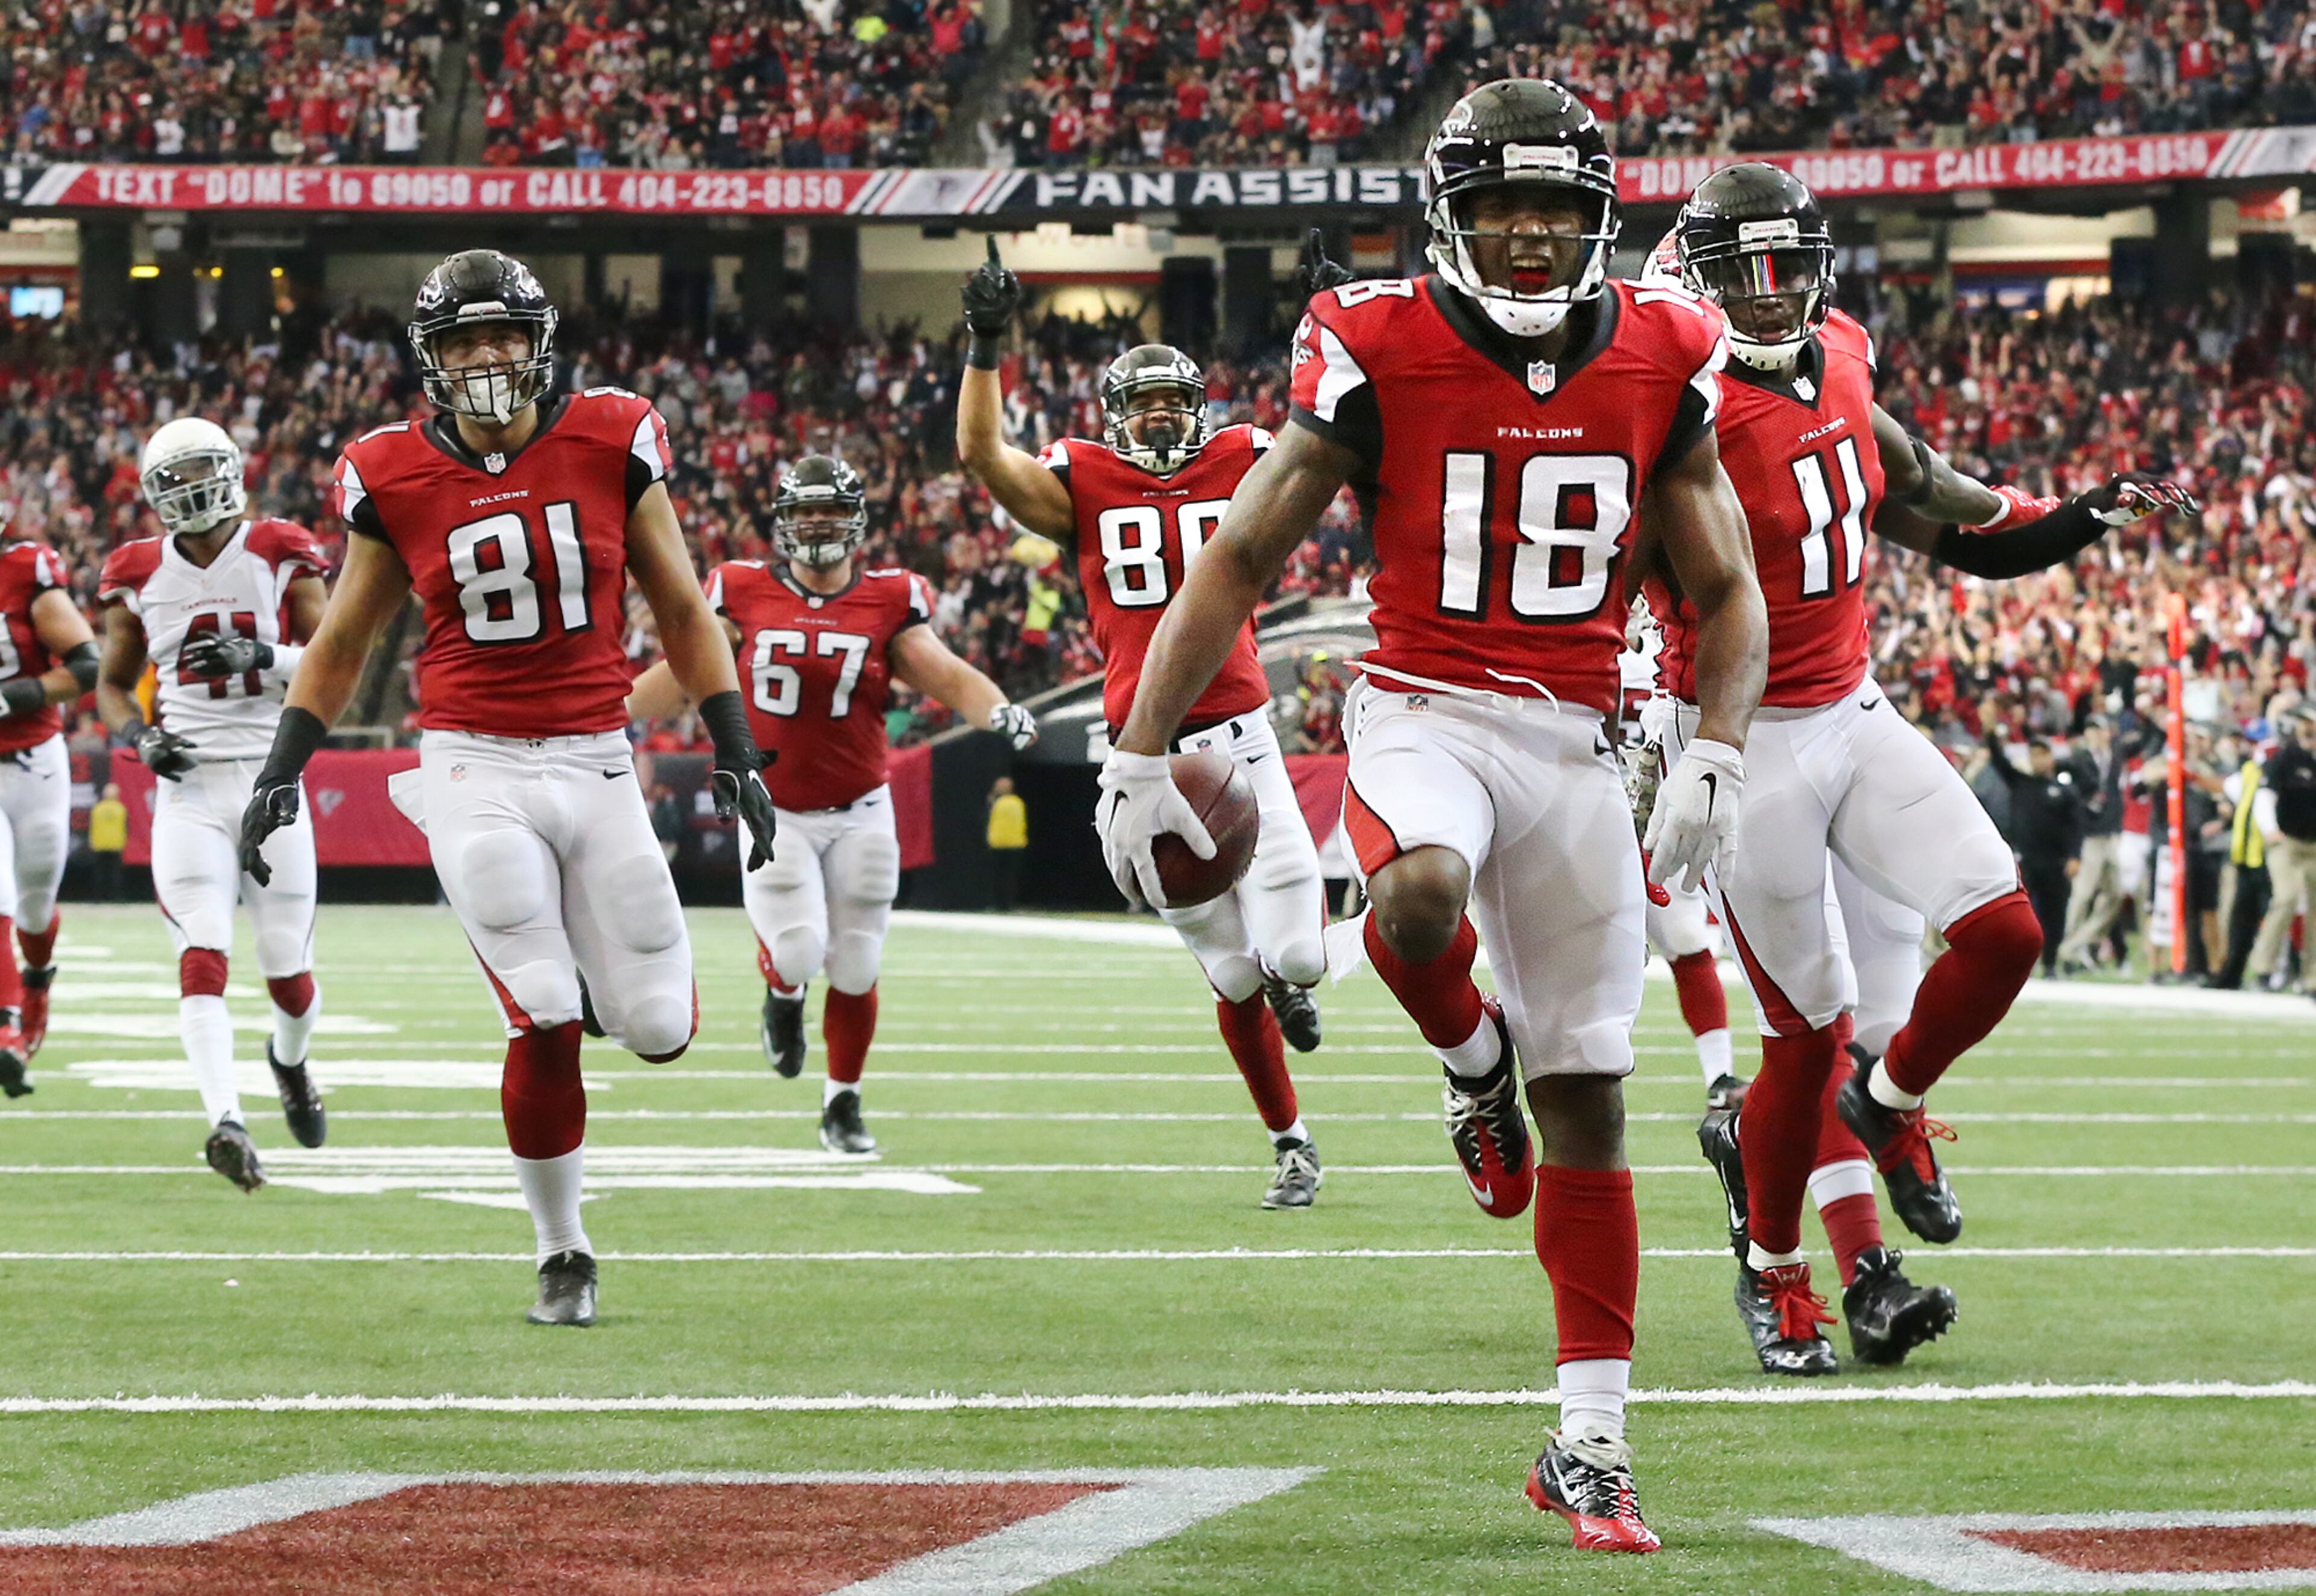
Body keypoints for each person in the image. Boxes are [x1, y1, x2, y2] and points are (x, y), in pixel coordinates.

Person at [1100, 80, 1772, 1551]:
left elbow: (1726, 587)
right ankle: (1472, 1062)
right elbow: (1239, 556)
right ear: (1448, 217)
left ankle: (1590, 1443)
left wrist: (1717, 751)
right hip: (1421, 704)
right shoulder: (1378, 338)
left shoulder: (1666, 347)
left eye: (1553, 204)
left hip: (1578, 737)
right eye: (1499, 205)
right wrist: (1141, 748)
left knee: (1589, 1094)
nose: (1527, 232)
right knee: (1413, 897)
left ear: (1598, 216)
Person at [1647, 163, 2192, 1378]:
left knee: (2003, 932)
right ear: (1696, 285)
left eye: (1788, 265)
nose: (1771, 291)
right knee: (1803, 1036)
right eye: (1743, 270)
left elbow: (1950, 517)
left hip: (1851, 709)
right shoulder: (1675, 406)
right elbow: (1604, 577)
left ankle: (1888, 1105)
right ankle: (1776, 1272)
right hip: (1743, 741)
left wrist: (2086, 512)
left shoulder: (1842, 356)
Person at [235, 249, 777, 1329]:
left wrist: (735, 744)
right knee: (544, 1011)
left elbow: (682, 607)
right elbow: (344, 638)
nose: (485, 356)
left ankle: (590, 968)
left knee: (660, 1027)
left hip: (596, 751)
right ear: (430, 359)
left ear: (539, 344)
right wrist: (281, 766)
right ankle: (561, 1249)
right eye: (462, 340)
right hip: (471, 758)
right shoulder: (391, 469)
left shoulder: (614, 435)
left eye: (502, 335)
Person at [957, 242, 1329, 1213]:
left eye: (1173, 402)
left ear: (1198, 408)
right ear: (1112, 419)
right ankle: (1291, 1143)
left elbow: (1335, 433)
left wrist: (1328, 326)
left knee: (1297, 956)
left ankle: (1296, 980)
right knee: (1234, 976)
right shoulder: (1081, 479)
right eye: (1142, 405)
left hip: (1244, 742)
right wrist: (984, 345)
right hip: (1144, 764)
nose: (1160, 418)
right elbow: (983, 456)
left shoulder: (1243, 457)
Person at [625, 455, 1036, 1156]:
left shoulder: (890, 598)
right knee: (798, 951)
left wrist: (996, 709)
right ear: (783, 522)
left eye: (832, 510)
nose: (818, 523)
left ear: (857, 520)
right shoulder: (741, 590)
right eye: (806, 511)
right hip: (775, 807)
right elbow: (688, 670)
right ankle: (783, 997)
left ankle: (842, 1102)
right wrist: (611, 713)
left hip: (861, 806)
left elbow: (942, 672)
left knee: (858, 966)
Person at [96, 417, 334, 1190]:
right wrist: (140, 736)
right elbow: (111, 684)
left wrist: (264, 655)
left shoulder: (278, 549)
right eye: (176, 476)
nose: (192, 488)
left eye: (203, 469)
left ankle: (289, 1061)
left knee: (287, 972)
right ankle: (226, 1119)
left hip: (271, 776)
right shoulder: (136, 569)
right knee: (201, 955)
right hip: (190, 786)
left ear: (231, 471)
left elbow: (335, 657)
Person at [0, 503, 99, 1091]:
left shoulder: (24, 572)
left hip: (34, 761)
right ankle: (6, 1027)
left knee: (35, 906)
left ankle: (36, 985)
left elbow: (86, 667)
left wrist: (13, 697)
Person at [1983, 732, 2084, 977]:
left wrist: (2075, 856)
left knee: (2055, 914)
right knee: (2022, 915)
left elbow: (2076, 826)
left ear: (2051, 757)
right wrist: (1991, 733)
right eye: (2034, 755)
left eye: (2043, 754)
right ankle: (2019, 964)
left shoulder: (2065, 791)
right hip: (2027, 860)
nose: (2039, 760)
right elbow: (1999, 761)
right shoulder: (2022, 783)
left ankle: (2050, 963)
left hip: (2056, 862)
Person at [2247, 708, 2316, 991]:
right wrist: (2270, 829)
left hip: (2314, 845)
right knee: (2286, 898)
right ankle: (2263, 967)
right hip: (2286, 842)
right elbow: (2265, 794)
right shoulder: (2286, 758)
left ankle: (2312, 978)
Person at [2055, 716, 2128, 971]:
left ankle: (2079, 942)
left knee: (2115, 894)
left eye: (2100, 730)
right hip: (2088, 835)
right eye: (2092, 729)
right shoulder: (2079, 758)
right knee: (2083, 894)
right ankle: (2068, 949)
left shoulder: (2114, 757)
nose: (2096, 734)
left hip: (2109, 834)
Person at [987, 774, 1028, 911]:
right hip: (1001, 843)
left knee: (1007, 877)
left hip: (1010, 843)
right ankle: (1000, 904)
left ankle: (1006, 904)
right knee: (1001, 877)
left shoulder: (1014, 802)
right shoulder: (1013, 802)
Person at [88, 782, 128, 901]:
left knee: (100, 873)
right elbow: (126, 827)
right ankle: (114, 896)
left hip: (99, 844)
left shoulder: (97, 809)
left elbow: (92, 826)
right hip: (116, 844)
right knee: (115, 873)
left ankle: (99, 897)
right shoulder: (121, 809)